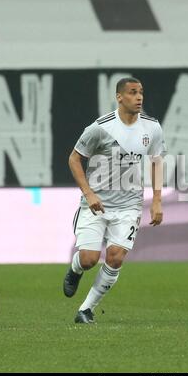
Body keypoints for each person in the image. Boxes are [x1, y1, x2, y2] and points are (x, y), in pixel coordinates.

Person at [63, 77, 167, 324]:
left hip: (129, 204)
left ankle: (85, 310)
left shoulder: (151, 128)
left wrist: (157, 200)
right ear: (119, 97)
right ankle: (76, 269)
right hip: (96, 204)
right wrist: (89, 193)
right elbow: (74, 159)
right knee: (89, 259)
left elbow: (156, 162)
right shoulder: (101, 127)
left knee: (116, 257)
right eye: (132, 93)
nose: (139, 97)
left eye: (141, 92)